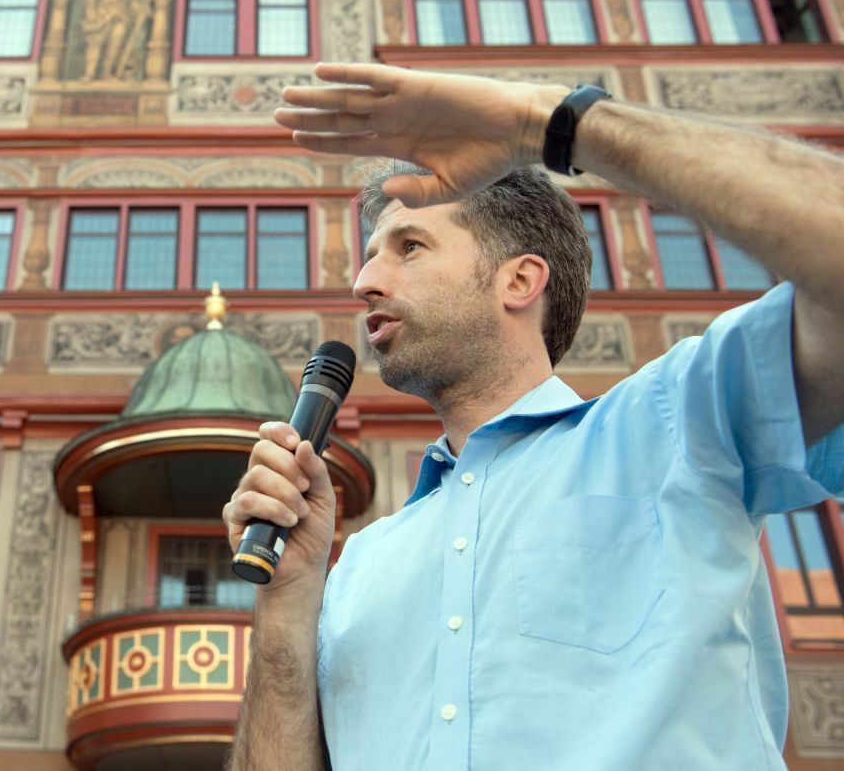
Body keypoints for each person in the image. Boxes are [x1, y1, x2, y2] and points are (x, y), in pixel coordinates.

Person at [222, 63, 844, 770]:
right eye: (369, 258)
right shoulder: (358, 565)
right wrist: (288, 604)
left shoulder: (680, 422)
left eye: (409, 248)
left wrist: (551, 122)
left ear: (520, 279)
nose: (364, 282)